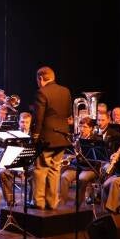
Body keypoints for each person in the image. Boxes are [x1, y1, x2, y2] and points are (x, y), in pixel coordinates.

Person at [31, 66, 72, 209]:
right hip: (62, 137)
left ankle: (39, 202)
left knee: (40, 169)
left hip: (46, 137)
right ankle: (52, 202)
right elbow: (68, 113)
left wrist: (35, 136)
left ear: (40, 78)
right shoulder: (65, 91)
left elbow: (39, 118)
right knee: (55, 169)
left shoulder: (41, 92)